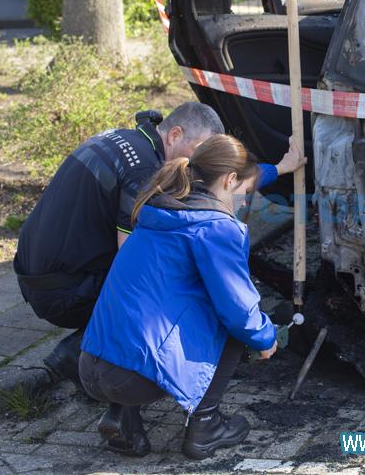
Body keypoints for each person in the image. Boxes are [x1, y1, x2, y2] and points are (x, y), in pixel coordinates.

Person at [13, 103, 304, 390]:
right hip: (61, 292)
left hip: (35, 274)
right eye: (200, 148)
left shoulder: (130, 140)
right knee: (186, 290)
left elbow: (227, 179)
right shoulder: (143, 173)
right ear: (175, 134)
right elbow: (132, 268)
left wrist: (280, 168)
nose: (201, 162)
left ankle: (109, 380)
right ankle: (81, 353)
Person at [79, 134, 278, 459]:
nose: (243, 201)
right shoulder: (216, 229)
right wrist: (265, 336)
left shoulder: (158, 212)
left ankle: (123, 417)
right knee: (231, 323)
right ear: (229, 180)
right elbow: (239, 311)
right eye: (244, 192)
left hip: (90, 365)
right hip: (129, 378)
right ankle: (206, 426)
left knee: (146, 309)